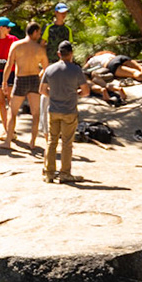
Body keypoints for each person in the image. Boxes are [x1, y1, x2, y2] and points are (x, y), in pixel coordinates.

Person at [42, 42, 89, 183]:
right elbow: (86, 91)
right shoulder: (76, 70)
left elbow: (42, 91)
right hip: (69, 110)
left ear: (58, 54)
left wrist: (55, 95)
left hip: (54, 110)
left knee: (52, 141)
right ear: (71, 54)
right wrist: (75, 93)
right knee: (67, 143)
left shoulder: (49, 69)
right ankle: (65, 173)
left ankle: (49, 173)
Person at [5, 23, 48, 149]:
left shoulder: (17, 45)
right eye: (39, 33)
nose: (40, 36)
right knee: (35, 113)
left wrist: (4, 82)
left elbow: (9, 65)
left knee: (12, 111)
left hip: (21, 79)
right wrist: (39, 76)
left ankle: (8, 141)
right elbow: (46, 67)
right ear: (34, 32)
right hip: (34, 79)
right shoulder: (39, 48)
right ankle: (32, 142)